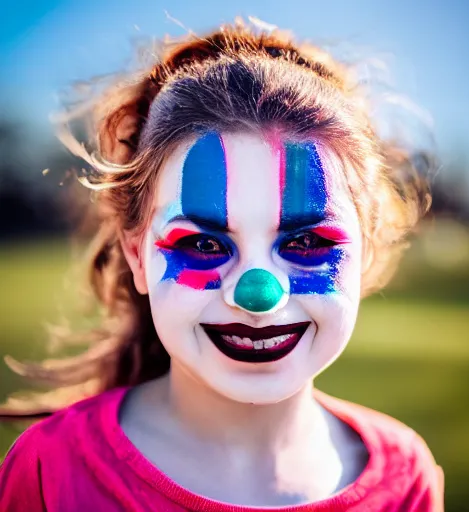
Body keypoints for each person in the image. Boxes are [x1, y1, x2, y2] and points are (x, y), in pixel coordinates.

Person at [0, 21, 444, 511]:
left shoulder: (406, 481)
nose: (258, 295)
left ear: (367, 253)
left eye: (308, 241)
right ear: (137, 257)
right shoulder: (52, 470)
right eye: (205, 245)